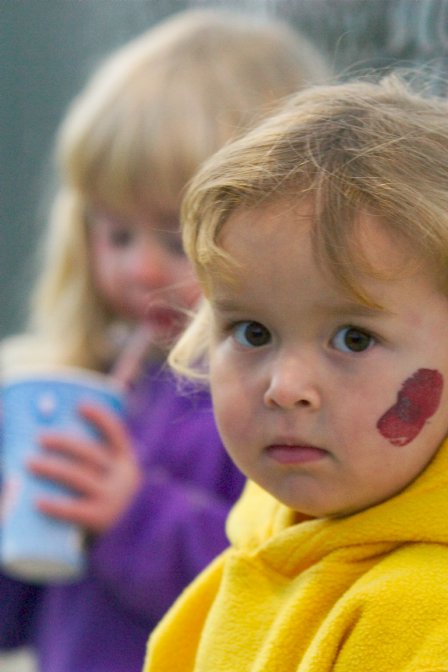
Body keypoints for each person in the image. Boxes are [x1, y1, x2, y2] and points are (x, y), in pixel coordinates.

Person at [0, 8, 329, 672]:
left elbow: (273, 584)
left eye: (173, 238)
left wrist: (132, 514)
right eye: (115, 234)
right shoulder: (98, 378)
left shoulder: (283, 403)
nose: (140, 270)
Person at [143, 73, 448, 671]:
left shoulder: (425, 609)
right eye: (252, 332)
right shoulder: (267, 526)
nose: (286, 389)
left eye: (353, 338)